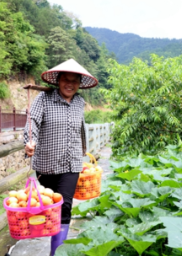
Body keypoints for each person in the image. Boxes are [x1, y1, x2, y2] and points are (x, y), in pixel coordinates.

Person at [24, 58, 98, 256]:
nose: (70, 84)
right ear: (57, 80)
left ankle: (56, 253)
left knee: (65, 206)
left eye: (74, 81)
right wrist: (29, 142)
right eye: (66, 79)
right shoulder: (43, 99)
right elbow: (33, 122)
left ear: (80, 84)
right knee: (49, 208)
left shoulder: (80, 102)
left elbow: (80, 130)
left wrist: (83, 154)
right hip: (47, 164)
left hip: (72, 164)